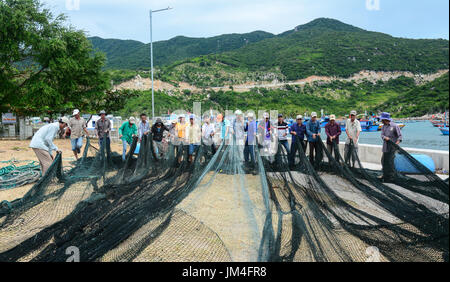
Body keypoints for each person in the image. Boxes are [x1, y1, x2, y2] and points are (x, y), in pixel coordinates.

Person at [380, 112, 403, 183]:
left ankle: (391, 177)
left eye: (382, 120)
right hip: (385, 147)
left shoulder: (395, 126)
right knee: (384, 161)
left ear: (385, 119)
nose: (381, 121)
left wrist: (396, 144)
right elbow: (382, 135)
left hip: (392, 147)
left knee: (390, 162)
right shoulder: (383, 126)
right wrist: (385, 138)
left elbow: (400, 137)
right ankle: (385, 175)